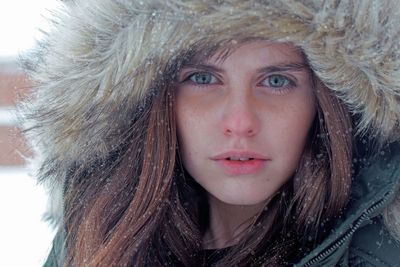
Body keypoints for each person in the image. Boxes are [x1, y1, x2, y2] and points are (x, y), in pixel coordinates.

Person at [19, 0, 400, 266]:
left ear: (325, 101)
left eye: (276, 80)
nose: (239, 121)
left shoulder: (380, 252)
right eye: (202, 78)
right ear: (152, 99)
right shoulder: (98, 229)